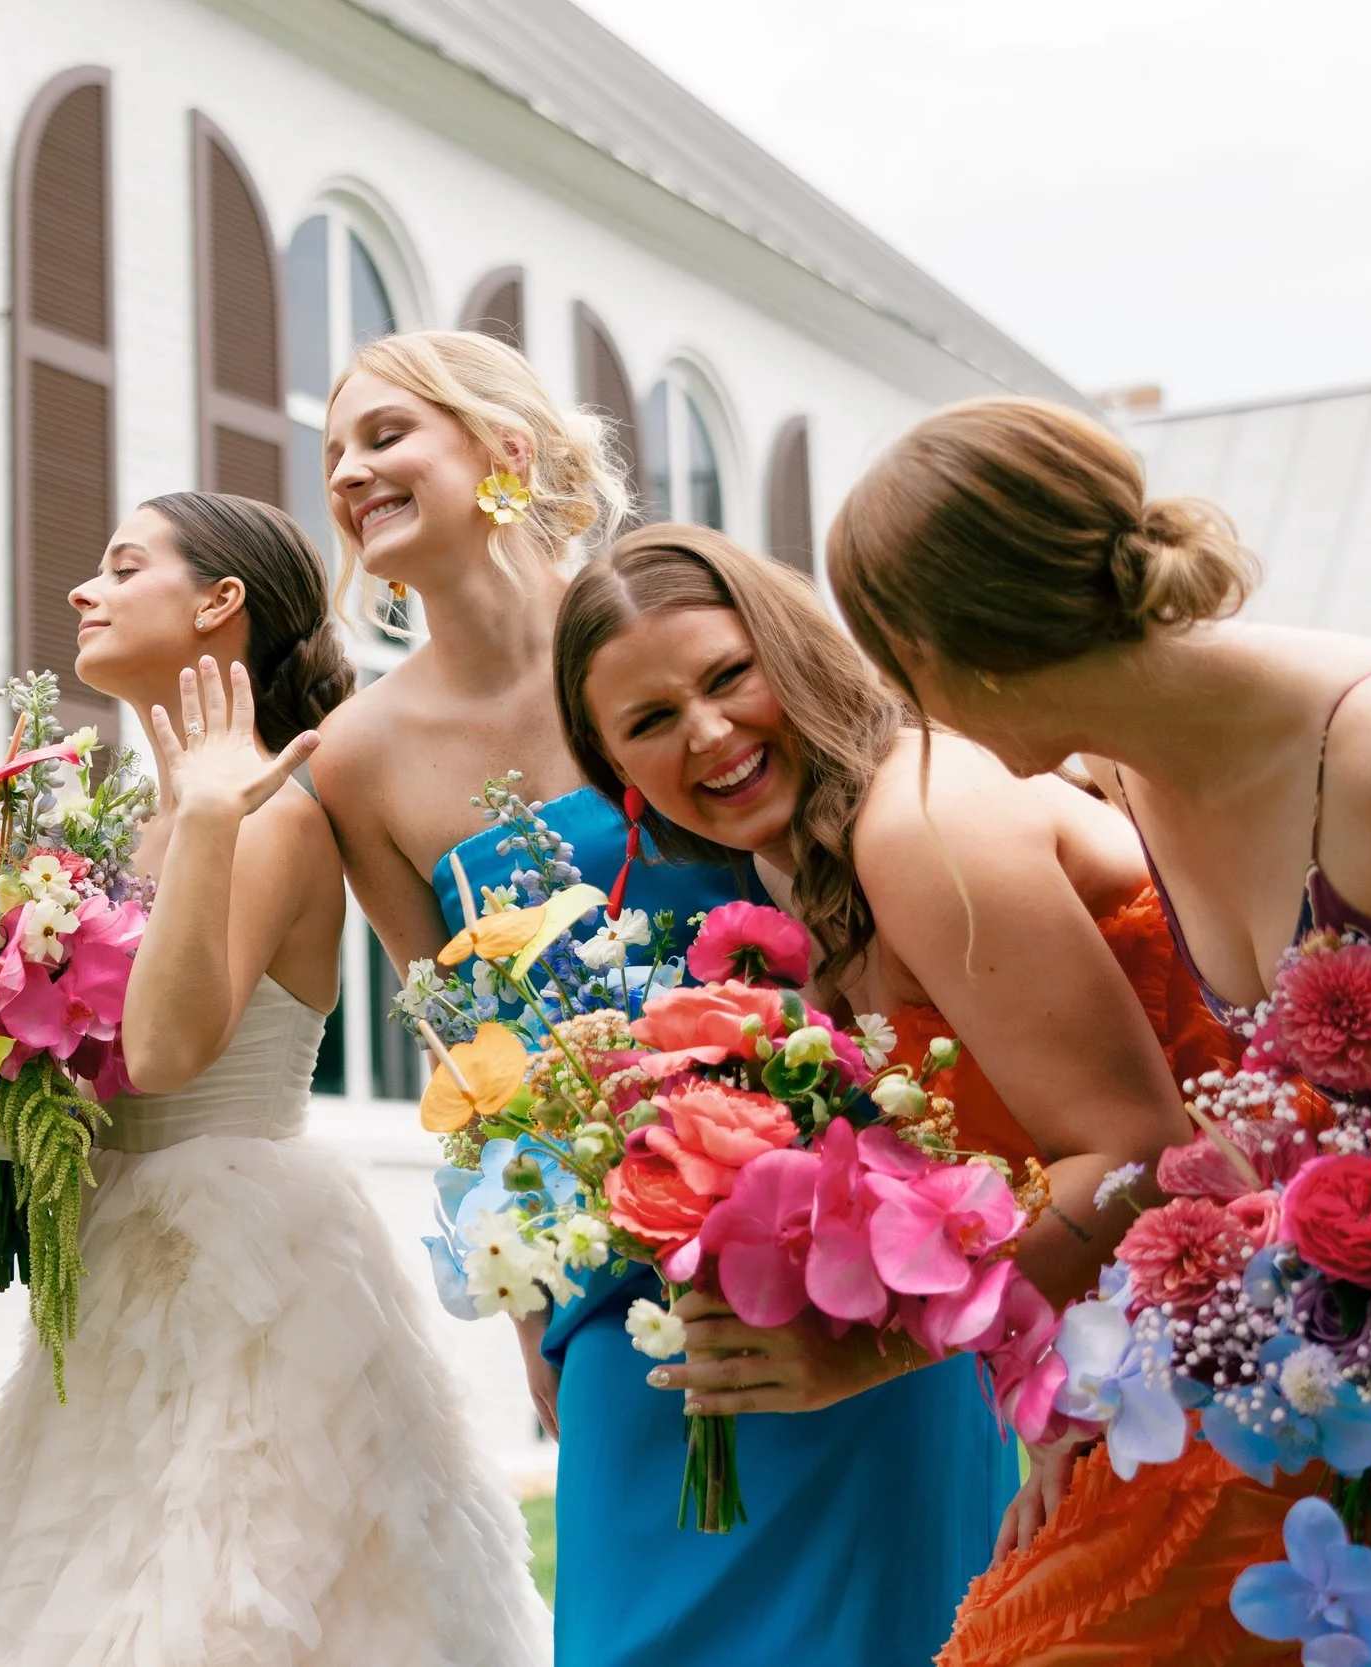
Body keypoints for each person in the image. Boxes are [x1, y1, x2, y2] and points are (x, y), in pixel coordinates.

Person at [307, 329, 1008, 1664]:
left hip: (854, 1226)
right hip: (618, 1271)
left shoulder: (690, 634)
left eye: (387, 432)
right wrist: (527, 1300)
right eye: (335, 450)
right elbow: (462, 1055)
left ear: (506, 453)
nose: (350, 468)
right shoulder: (360, 757)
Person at [558, 518, 1299, 1664]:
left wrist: (872, 1356)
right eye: (651, 722)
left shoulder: (916, 817)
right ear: (619, 777)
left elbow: (1141, 1150)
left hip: (1280, 1276)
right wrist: (1069, 1402)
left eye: (726, 676)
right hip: (1156, 1323)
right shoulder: (789, 863)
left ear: (794, 651)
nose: (707, 733)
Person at [0, 492, 548, 1665]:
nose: (82, 592)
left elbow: (167, 1048)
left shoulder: (268, 805)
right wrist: (6, 1088)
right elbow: (107, 1065)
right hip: (118, 1251)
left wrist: (203, 822)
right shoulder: (134, 820)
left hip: (237, 1264)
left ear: (217, 602)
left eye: (122, 563)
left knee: (217, 1604)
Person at [825, 393, 1371, 1666]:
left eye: (895, 668)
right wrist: (1081, 1396)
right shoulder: (1132, 773)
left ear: (959, 651)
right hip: (1331, 1380)